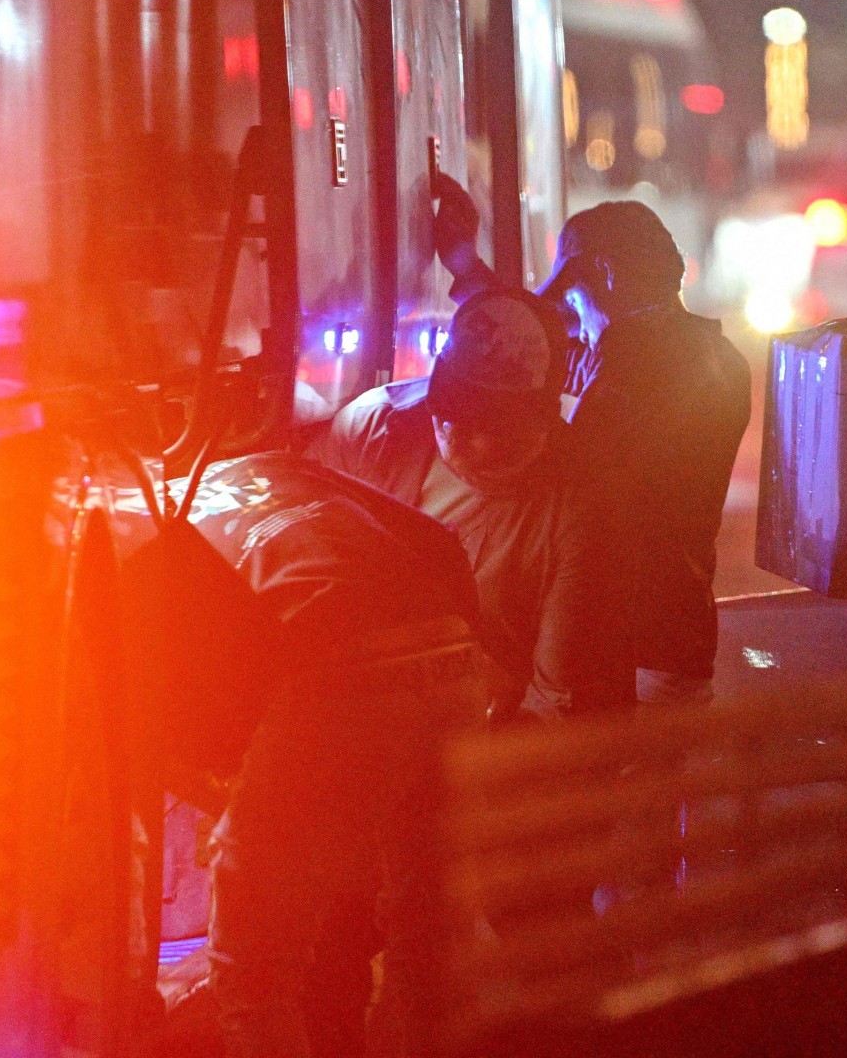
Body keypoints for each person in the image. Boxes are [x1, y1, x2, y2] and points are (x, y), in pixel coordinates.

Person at [189, 456, 484, 1058]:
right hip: (451, 651)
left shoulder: (125, 513)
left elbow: (168, 701)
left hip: (337, 674)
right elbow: (437, 537)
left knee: (255, 965)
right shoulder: (275, 463)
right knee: (425, 929)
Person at [435, 184, 751, 705]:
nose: (570, 312)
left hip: (638, 650)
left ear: (603, 274)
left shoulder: (627, 383)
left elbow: (555, 467)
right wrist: (470, 272)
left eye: (572, 291)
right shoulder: (702, 355)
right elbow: (540, 350)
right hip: (674, 634)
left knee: (626, 784)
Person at [315, 288, 634, 718]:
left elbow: (556, 698)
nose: (473, 446)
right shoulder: (373, 429)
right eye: (454, 420)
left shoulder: (586, 503)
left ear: (545, 417)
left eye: (499, 429)